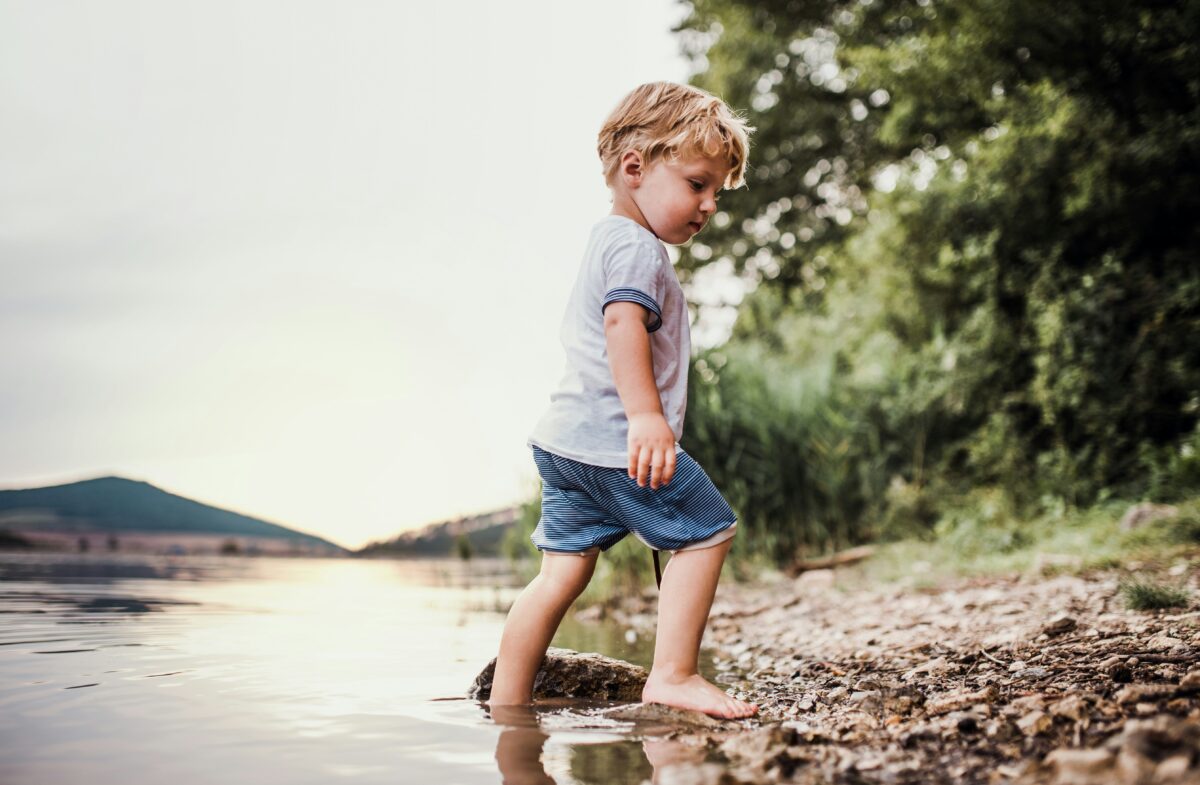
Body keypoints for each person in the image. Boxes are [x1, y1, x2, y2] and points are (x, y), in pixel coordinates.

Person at [488, 82, 756, 719]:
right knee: (708, 531)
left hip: (564, 441)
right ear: (635, 167)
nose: (710, 204)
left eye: (717, 191)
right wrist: (646, 417)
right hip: (611, 436)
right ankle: (672, 675)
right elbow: (622, 325)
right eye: (697, 184)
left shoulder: (608, 239)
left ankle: (506, 704)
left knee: (560, 576)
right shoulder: (637, 247)